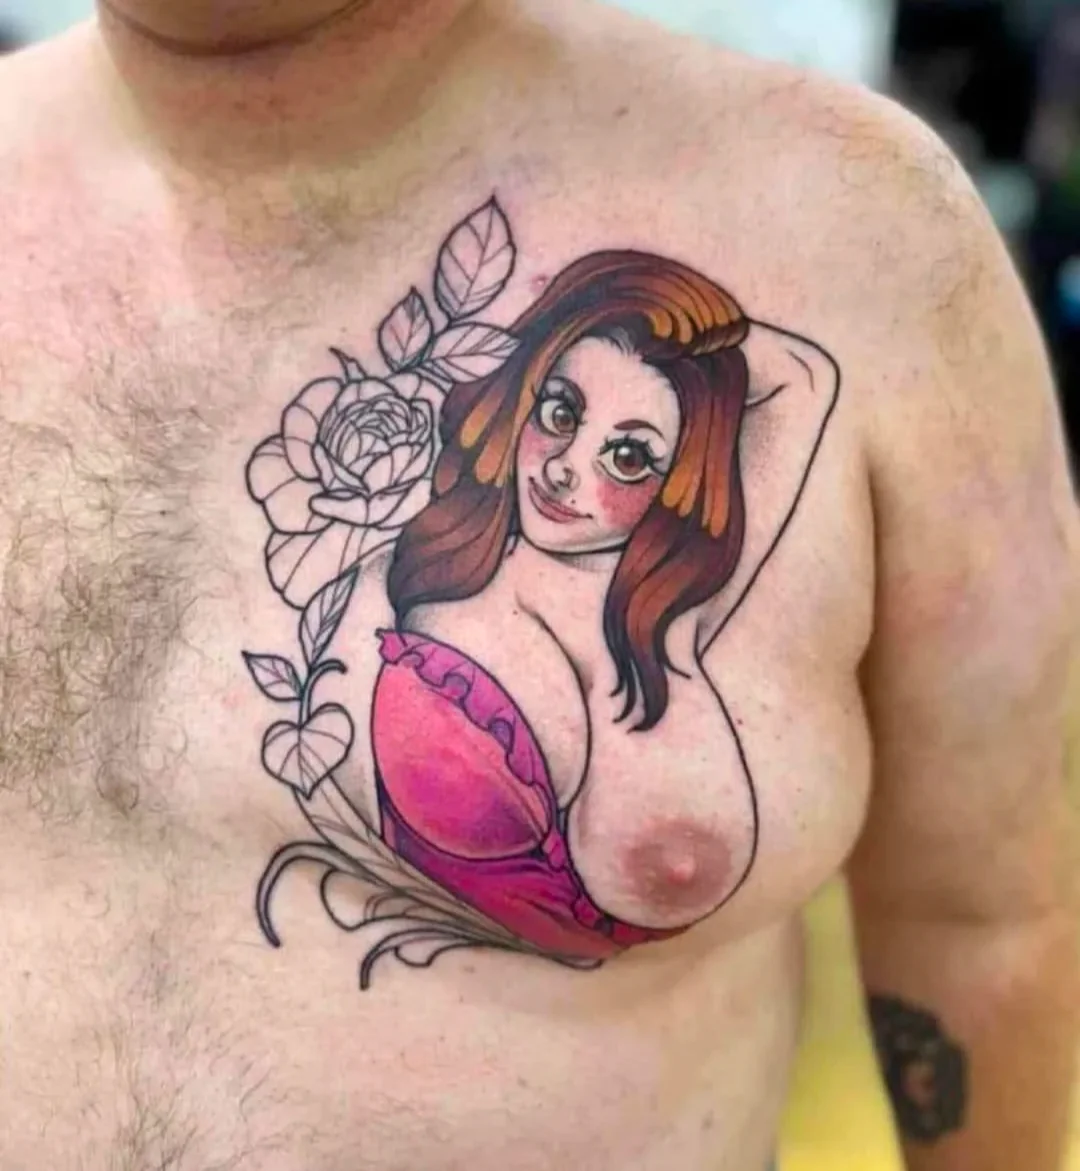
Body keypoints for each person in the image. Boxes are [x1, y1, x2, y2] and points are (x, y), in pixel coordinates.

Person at [0, 2, 1075, 1170]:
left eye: (632, 457)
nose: (568, 468)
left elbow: (985, 919)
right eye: (558, 411)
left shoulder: (860, 228)